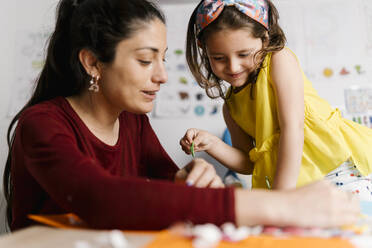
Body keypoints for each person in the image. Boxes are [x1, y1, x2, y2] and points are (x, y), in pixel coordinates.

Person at [3, 0, 359, 232]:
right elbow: (100, 197)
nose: (162, 76)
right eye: (146, 60)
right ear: (93, 62)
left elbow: (171, 178)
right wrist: (270, 205)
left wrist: (192, 172)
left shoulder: (132, 122)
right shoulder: (41, 124)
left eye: (162, 60)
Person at [180, 0, 372, 198]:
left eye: (243, 54)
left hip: (336, 167)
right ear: (204, 49)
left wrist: (279, 199)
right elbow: (247, 162)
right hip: (298, 186)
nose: (233, 67)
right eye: (219, 58)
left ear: (264, 39)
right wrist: (212, 143)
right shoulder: (230, 107)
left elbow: (293, 129)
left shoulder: (279, 60)